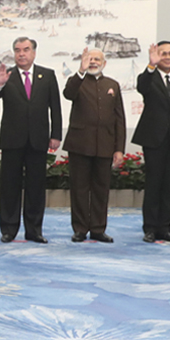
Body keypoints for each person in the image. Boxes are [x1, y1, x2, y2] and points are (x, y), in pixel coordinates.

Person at [0, 37, 62, 244]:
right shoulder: (7, 75)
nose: (21, 54)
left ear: (34, 53)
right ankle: (9, 230)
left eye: (26, 49)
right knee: (10, 186)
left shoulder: (47, 75)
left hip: (38, 139)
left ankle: (34, 230)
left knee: (36, 187)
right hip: (12, 139)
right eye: (18, 50)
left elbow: (55, 107)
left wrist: (56, 134)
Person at [63, 48, 126, 243]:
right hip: (80, 144)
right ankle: (80, 229)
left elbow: (119, 119)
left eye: (97, 59)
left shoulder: (112, 85)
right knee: (79, 189)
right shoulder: (77, 81)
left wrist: (119, 148)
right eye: (89, 59)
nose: (93, 62)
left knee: (101, 189)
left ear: (104, 63)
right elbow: (68, 94)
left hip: (105, 145)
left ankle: (98, 229)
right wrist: (80, 71)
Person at [133, 41, 170, 243]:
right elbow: (142, 87)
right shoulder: (149, 77)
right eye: (163, 53)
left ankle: (165, 228)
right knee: (154, 184)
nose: (167, 57)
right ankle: (150, 228)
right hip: (153, 139)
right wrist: (151, 65)